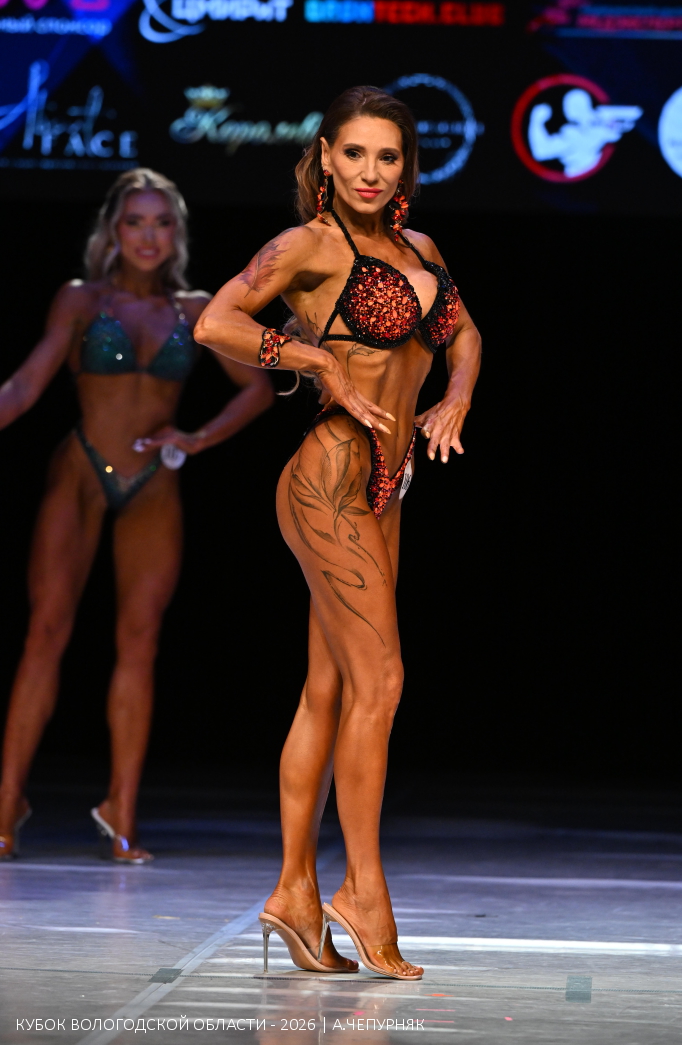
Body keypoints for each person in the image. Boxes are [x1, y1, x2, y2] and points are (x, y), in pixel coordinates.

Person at [194, 87, 481, 979]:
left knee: (329, 691)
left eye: (387, 157)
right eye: (353, 154)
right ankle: (361, 889)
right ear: (324, 156)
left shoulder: (421, 250)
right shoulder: (310, 246)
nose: (369, 172)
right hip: (326, 481)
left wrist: (456, 397)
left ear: (406, 166)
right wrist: (315, 356)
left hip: (387, 489)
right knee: (382, 682)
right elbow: (215, 321)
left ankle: (292, 892)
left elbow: (466, 335)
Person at [0, 168, 275, 863]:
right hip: (81, 472)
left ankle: (120, 811)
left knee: (140, 643)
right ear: (113, 232)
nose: (148, 236)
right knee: (45, 632)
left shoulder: (197, 310)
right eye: (135, 221)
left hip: (154, 482)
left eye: (162, 222)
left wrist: (199, 437)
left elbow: (257, 388)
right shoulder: (82, 299)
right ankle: (4, 804)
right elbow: (26, 385)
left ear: (177, 233)